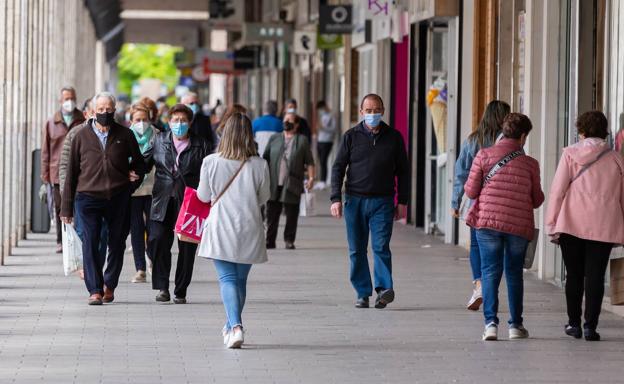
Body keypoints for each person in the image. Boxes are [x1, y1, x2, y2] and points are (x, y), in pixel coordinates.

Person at [464, 113, 544, 341]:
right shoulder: (530, 164)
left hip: (487, 223)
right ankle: (516, 326)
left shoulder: (484, 155)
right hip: (518, 226)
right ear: (522, 136)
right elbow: (537, 200)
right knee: (514, 273)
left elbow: (470, 191)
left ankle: (490, 324)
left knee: (489, 272)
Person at [61, 91, 145, 305]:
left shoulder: (125, 135)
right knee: (90, 241)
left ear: (114, 110)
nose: (104, 113)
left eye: (108, 109)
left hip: (118, 196)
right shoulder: (80, 135)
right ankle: (95, 290)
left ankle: (110, 284)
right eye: (100, 110)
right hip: (87, 197)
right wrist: (66, 208)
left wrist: (133, 179)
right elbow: (70, 173)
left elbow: (139, 164)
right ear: (93, 112)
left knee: (116, 243)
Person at [545, 111, 624, 341]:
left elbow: (558, 191)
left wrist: (552, 222)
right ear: (604, 131)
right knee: (596, 277)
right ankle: (590, 326)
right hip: (604, 224)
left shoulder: (571, 154)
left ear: (581, 131)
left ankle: (573, 324)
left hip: (572, 223)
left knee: (574, 276)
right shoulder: (617, 159)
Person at [196, 112, 270, 349]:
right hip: (249, 226)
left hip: (220, 226)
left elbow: (203, 196)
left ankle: (235, 326)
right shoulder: (260, 164)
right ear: (250, 135)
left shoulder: (210, 162)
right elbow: (264, 197)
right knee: (240, 280)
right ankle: (231, 325)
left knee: (227, 278)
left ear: (225, 134)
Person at [330, 94, 409, 309]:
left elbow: (403, 172)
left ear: (383, 110)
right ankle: (362, 292)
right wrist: (335, 198)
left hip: (382, 202)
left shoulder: (394, 137)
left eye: (377, 110)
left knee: (380, 246)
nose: (373, 114)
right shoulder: (351, 137)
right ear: (361, 112)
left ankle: (384, 289)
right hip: (354, 202)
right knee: (356, 249)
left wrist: (402, 201)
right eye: (369, 110)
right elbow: (338, 168)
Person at [148, 104, 211, 304]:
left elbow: (208, 173)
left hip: (189, 202)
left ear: (190, 123)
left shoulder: (201, 145)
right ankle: (162, 286)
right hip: (162, 199)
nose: (179, 124)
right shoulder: (159, 140)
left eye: (183, 120)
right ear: (169, 122)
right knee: (157, 240)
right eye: (175, 120)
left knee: (186, 248)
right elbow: (144, 163)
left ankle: (181, 289)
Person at [451, 100, 510, 311]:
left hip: (476, 201)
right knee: (499, 247)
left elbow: (461, 174)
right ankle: (489, 286)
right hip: (502, 201)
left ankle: (479, 284)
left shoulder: (472, 140)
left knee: (476, 244)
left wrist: (455, 202)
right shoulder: (509, 143)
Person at [42, 86, 86, 253]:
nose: (69, 101)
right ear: (60, 100)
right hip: (56, 172)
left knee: (77, 205)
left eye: (72, 97)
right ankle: (61, 240)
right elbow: (46, 149)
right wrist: (44, 172)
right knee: (60, 206)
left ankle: (77, 238)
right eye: (66, 98)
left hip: (78, 169)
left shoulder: (81, 119)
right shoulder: (51, 122)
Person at [263, 113, 315, 250]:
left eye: (290, 121)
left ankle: (289, 240)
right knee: (272, 214)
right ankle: (270, 240)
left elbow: (310, 162)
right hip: (274, 182)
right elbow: (265, 158)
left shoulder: (302, 140)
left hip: (292, 182)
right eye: (285, 120)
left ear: (296, 124)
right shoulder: (274, 138)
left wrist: (311, 178)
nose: (286, 122)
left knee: (292, 213)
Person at [128, 102, 157, 283]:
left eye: (144, 119)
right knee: (136, 230)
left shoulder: (159, 137)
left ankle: (152, 261)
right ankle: (140, 269)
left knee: (154, 230)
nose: (141, 122)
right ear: (131, 120)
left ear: (150, 119)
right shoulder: (124, 137)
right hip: (132, 190)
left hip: (154, 189)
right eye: (137, 119)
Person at [315, 100, 338, 189]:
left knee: (323, 161)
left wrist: (323, 128)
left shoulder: (332, 116)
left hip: (327, 141)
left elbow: (334, 129)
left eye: (321, 108)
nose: (320, 111)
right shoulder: (322, 116)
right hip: (320, 140)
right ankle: (321, 181)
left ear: (324, 106)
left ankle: (323, 181)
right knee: (320, 161)